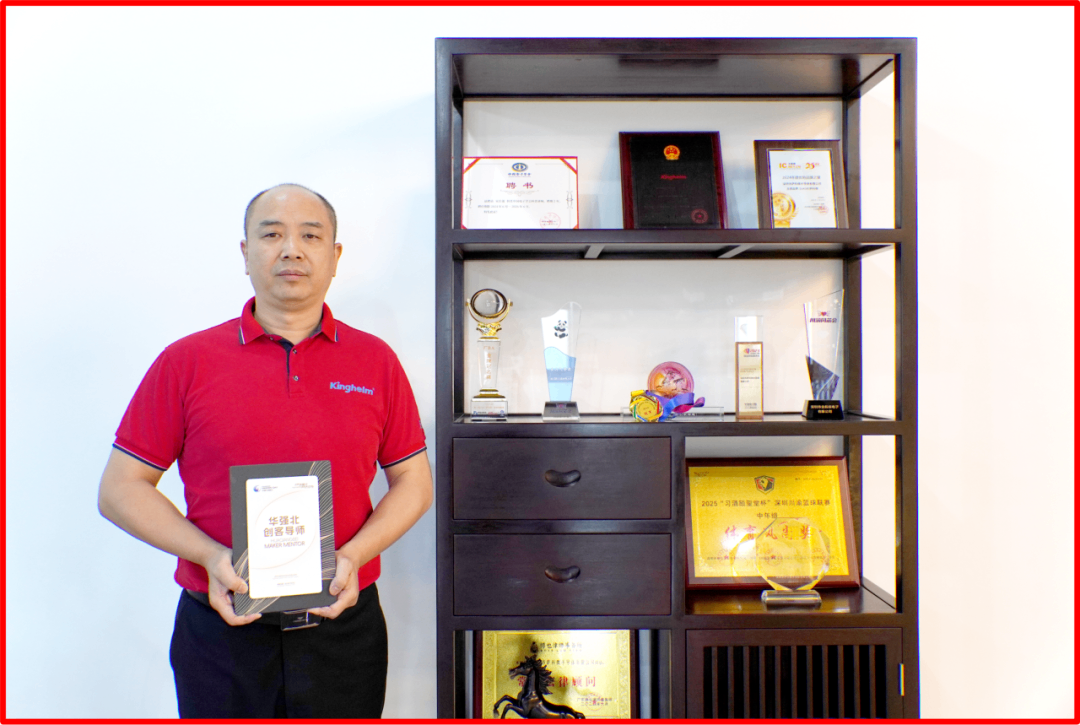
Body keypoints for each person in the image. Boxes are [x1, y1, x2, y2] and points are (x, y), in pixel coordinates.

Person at [97, 183, 432, 718]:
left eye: (310, 236)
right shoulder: (186, 362)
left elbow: (414, 482)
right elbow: (120, 489)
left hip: (343, 630)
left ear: (335, 256)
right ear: (246, 252)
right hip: (221, 630)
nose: (291, 249)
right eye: (272, 234)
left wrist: (355, 555)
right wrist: (210, 557)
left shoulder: (375, 361)